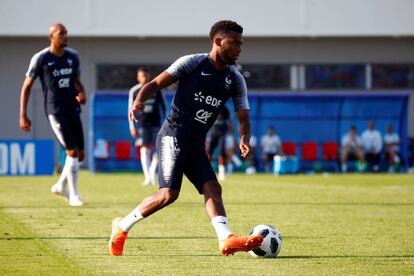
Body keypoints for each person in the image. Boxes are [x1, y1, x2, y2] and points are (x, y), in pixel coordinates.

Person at [109, 20, 263, 256]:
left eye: (241, 44)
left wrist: (244, 138)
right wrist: (139, 99)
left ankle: (226, 238)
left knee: (213, 187)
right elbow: (155, 84)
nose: (239, 49)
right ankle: (121, 228)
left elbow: (243, 117)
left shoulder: (235, 79)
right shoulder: (192, 62)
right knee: (168, 194)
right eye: (234, 43)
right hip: (173, 135)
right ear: (218, 41)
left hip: (195, 142)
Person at [19, 23, 86, 206]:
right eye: (61, 33)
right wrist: (23, 115)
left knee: (80, 155)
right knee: (71, 151)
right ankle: (74, 195)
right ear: (52, 36)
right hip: (55, 110)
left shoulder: (73, 56)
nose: (65, 35)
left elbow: (77, 82)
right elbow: (26, 87)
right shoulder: (41, 58)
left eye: (66, 32)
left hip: (73, 108)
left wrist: (82, 93)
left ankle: (60, 186)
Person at [128, 67, 166, 185]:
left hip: (156, 123)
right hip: (142, 124)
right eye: (142, 76)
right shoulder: (134, 91)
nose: (144, 78)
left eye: (146, 75)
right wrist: (132, 127)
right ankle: (147, 177)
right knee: (144, 149)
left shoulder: (156, 89)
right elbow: (130, 109)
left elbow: (163, 107)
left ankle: (152, 171)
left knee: (159, 149)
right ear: (138, 77)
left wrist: (166, 123)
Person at [207, 105, 233, 181]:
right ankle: (208, 172)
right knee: (209, 152)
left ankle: (221, 173)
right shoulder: (212, 107)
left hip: (222, 133)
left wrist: (231, 135)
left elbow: (230, 122)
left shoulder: (225, 109)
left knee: (221, 152)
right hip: (213, 132)